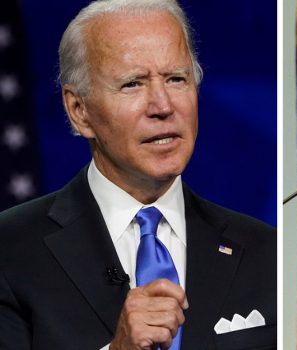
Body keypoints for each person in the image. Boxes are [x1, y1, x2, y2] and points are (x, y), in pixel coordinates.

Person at [0, 0, 276, 349]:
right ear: (79, 111)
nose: (162, 106)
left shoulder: (265, 252)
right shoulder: (10, 251)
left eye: (177, 79)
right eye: (133, 84)